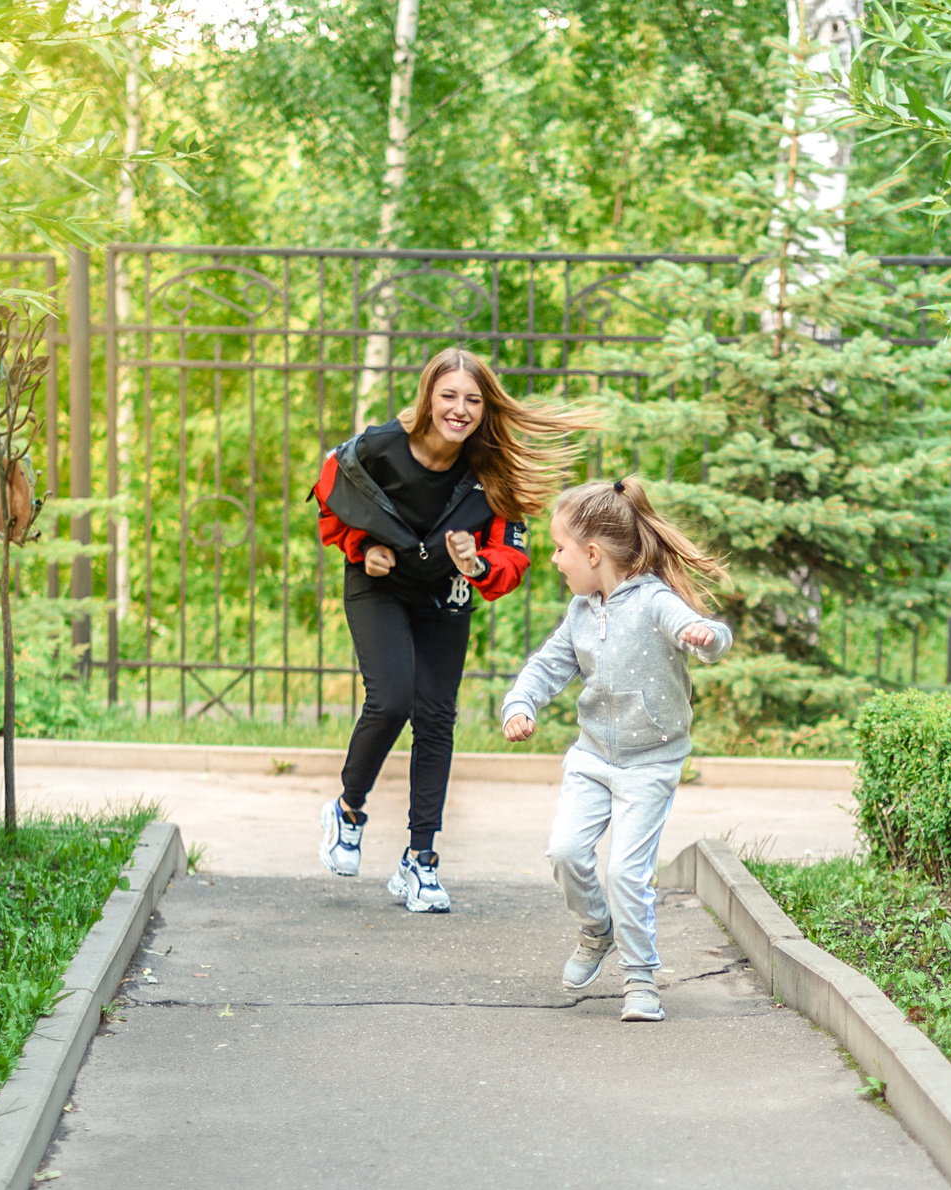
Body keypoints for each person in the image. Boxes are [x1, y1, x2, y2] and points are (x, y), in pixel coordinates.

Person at [312, 349, 590, 912]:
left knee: (436, 717)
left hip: (445, 592)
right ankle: (347, 810)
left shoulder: (492, 473)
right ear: (427, 397)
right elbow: (331, 503)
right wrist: (362, 548)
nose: (460, 409)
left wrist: (476, 563)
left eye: (473, 400)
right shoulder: (377, 448)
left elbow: (510, 561)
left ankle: (420, 860)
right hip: (380, 586)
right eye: (449, 396)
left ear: (485, 409)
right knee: (391, 700)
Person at [501, 476, 733, 1022]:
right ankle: (595, 931)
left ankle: (640, 979)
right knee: (565, 852)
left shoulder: (655, 602)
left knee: (626, 874)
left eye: (559, 548)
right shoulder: (581, 611)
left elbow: (703, 631)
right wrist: (520, 704)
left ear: (592, 553)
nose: (553, 559)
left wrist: (706, 637)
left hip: (651, 762)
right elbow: (547, 665)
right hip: (592, 758)